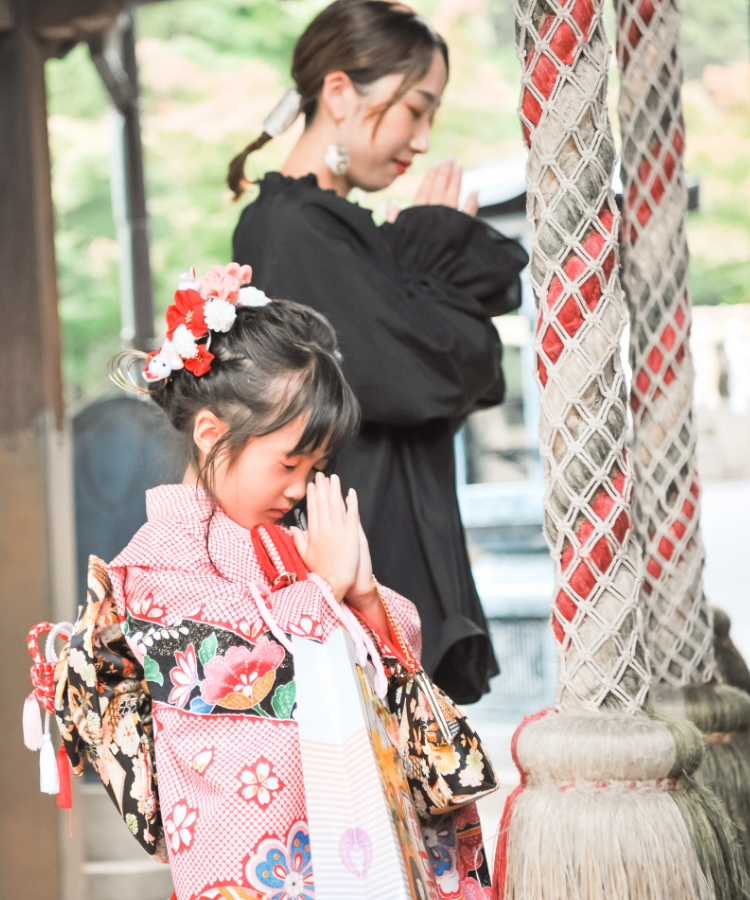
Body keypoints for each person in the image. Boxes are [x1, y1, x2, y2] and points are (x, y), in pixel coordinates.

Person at [92, 264, 492, 899]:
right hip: (249, 843)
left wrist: (361, 594)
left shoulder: (286, 542)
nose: (301, 486)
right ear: (210, 434)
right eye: (289, 462)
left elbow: (395, 646)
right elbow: (229, 667)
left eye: (316, 465)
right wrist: (325, 590)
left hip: (343, 817)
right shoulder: (155, 555)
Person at [230, 0, 529, 704]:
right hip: (356, 552)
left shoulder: (342, 229)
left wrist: (425, 258)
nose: (422, 140)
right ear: (339, 93)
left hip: (380, 534)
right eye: (413, 109)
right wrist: (433, 248)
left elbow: (458, 367)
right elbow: (426, 375)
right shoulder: (294, 227)